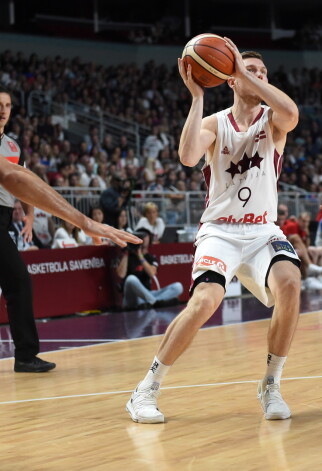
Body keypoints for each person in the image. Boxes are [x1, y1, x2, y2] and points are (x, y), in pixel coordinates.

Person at [126, 39, 302, 424]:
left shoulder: (272, 120)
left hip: (262, 231)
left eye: (262, 73)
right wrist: (195, 97)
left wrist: (244, 71)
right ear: (230, 81)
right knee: (206, 301)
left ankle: (270, 384)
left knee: (290, 281)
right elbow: (188, 156)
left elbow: (292, 113)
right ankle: (146, 389)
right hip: (220, 231)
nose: (257, 77)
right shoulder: (214, 123)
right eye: (248, 72)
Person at [0, 86, 140, 373]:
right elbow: (14, 177)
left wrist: (29, 215)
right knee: (18, 282)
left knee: (18, 283)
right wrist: (84, 222)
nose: (3, 109)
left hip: (3, 218)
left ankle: (26, 355)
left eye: (8, 105)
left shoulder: (12, 147)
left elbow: (23, 180)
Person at [116, 229, 183, 309]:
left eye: (144, 236)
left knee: (178, 287)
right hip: (132, 297)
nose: (143, 239)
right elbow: (121, 274)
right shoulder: (127, 256)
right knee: (131, 279)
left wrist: (140, 255)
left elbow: (152, 273)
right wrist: (127, 251)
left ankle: (151, 302)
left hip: (148, 294)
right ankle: (155, 302)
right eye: (140, 236)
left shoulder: (151, 258)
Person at [279, 206, 322, 290]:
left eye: (307, 222)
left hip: (291, 247)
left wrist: (307, 233)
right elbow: (294, 242)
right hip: (282, 247)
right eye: (303, 221)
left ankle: (316, 276)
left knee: (315, 251)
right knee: (299, 246)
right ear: (299, 220)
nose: (305, 224)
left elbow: (306, 246)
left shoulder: (303, 229)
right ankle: (309, 274)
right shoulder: (292, 225)